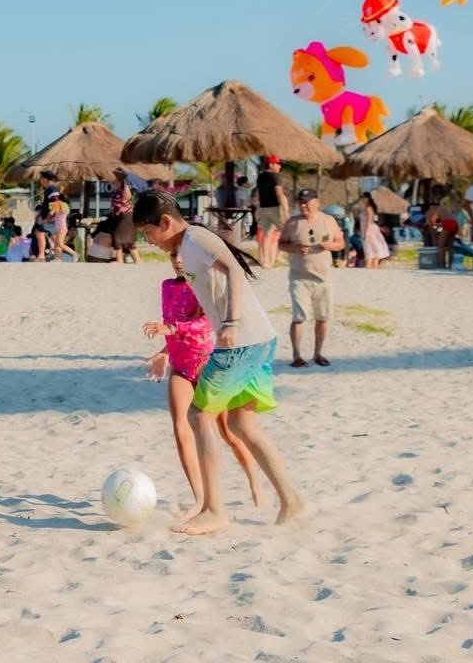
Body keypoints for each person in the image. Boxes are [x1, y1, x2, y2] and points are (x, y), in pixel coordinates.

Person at [133, 189, 306, 535]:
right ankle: (291, 499)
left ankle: (214, 510)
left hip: (241, 343)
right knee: (243, 425)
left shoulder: (195, 239)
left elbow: (235, 271)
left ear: (165, 222)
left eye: (149, 233)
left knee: (199, 415)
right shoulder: (189, 246)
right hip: (259, 340)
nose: (149, 241)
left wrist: (231, 322)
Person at [142, 252, 264, 522]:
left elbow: (205, 324)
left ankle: (254, 479)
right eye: (173, 256)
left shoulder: (204, 286)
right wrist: (164, 352)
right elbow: (171, 323)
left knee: (229, 433)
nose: (178, 261)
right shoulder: (167, 286)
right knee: (180, 428)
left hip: (209, 366)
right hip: (181, 367)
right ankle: (200, 498)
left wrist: (170, 329)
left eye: (183, 256)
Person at [279, 188, 345, 367]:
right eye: (301, 202)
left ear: (317, 202)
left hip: (323, 278)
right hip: (299, 278)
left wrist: (330, 246)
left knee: (323, 317)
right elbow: (281, 244)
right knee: (299, 317)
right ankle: (296, 356)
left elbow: (341, 243)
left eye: (307, 202)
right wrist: (295, 248)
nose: (303, 205)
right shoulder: (293, 222)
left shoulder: (328, 220)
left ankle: (318, 353)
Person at [253, 156, 289, 269]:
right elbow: (279, 194)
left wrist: (258, 208)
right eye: (277, 164)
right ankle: (279, 255)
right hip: (275, 208)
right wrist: (286, 211)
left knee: (267, 234)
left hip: (263, 208)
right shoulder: (275, 176)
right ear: (271, 164)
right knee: (287, 231)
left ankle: (265, 261)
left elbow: (258, 194)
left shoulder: (260, 177)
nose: (279, 166)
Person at [107, 168, 138, 264]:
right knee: (127, 241)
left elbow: (127, 198)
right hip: (120, 217)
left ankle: (120, 260)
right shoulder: (117, 190)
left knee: (119, 238)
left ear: (120, 181)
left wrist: (125, 182)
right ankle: (135, 260)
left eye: (116, 180)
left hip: (126, 216)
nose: (113, 181)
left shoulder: (125, 189)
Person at [360, 193, 390, 269]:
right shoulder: (367, 208)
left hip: (369, 231)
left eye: (363, 197)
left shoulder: (368, 208)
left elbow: (369, 222)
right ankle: (373, 269)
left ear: (367, 198)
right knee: (372, 251)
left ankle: (371, 268)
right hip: (368, 230)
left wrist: (366, 234)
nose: (362, 199)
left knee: (371, 251)